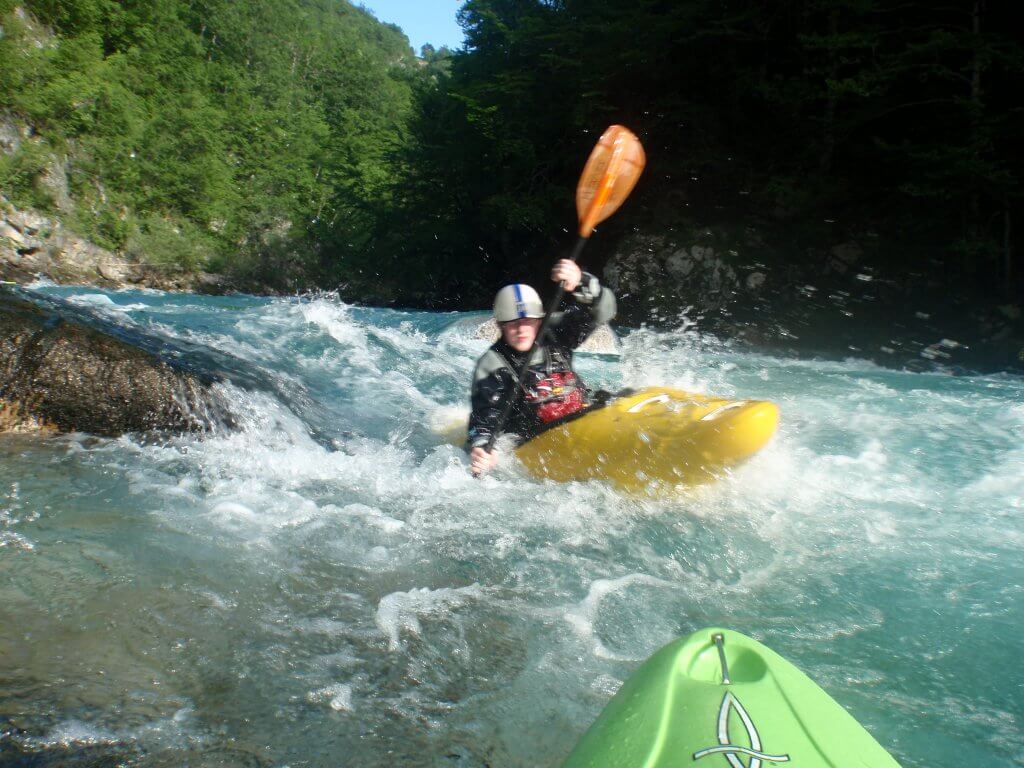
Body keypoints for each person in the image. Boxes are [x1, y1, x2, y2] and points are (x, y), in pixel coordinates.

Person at [468, 259, 616, 475]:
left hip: (584, 416)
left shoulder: (556, 332)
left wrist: (581, 280)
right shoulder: (493, 364)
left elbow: (604, 310)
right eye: (512, 323)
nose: (521, 329)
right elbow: (486, 416)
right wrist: (482, 448)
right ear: (500, 326)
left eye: (527, 321)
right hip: (538, 437)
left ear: (538, 320)